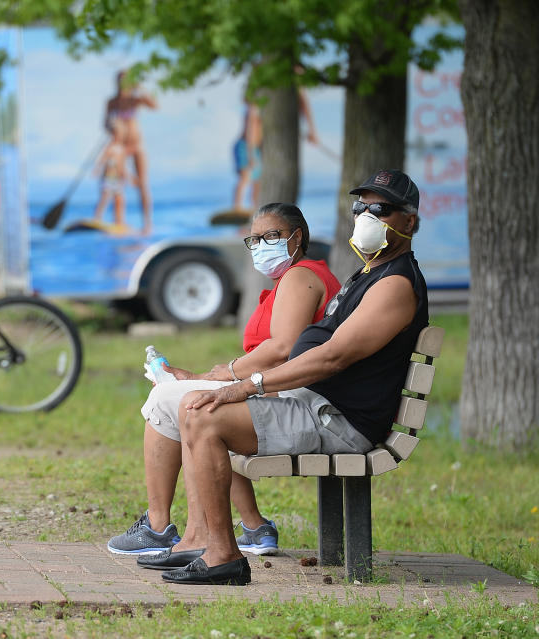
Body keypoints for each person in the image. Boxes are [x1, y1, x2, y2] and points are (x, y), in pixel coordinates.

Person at [152, 170, 427, 585]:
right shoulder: (371, 273)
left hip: (338, 419)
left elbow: (331, 357)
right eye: (360, 207)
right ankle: (205, 541)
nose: (366, 216)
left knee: (203, 416)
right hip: (316, 404)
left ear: (410, 222)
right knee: (195, 405)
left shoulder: (395, 284)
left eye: (380, 209)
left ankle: (222, 554)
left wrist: (246, 386)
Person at [106, 203, 341, 556]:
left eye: (272, 236)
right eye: (255, 239)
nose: (262, 245)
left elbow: (283, 348)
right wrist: (207, 378)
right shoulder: (293, 279)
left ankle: (157, 527)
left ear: (297, 237)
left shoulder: (300, 276)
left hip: (293, 398)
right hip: (280, 391)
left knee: (168, 400)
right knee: (194, 401)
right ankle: (254, 526)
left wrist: (222, 375)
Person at [104, 71, 157, 235]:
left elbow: (153, 105)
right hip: (120, 146)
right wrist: (111, 126)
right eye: (120, 80)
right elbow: (105, 123)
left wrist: (139, 88)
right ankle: (119, 222)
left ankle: (147, 223)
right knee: (118, 184)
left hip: (137, 145)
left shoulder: (135, 100)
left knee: (142, 184)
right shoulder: (112, 102)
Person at [91, 118, 133, 227]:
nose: (118, 136)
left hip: (118, 179)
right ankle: (97, 218)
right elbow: (102, 160)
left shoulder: (122, 149)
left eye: (119, 134)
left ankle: (119, 221)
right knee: (105, 198)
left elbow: (123, 165)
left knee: (120, 200)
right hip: (108, 177)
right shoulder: (109, 147)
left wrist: (127, 176)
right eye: (116, 134)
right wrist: (97, 169)